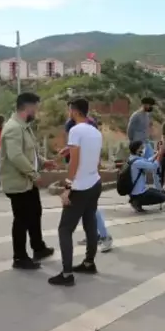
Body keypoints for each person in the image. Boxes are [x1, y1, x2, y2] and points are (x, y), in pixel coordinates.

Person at [49, 98, 104, 287]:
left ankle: (66, 274)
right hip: (95, 182)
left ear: (73, 111)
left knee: (65, 229)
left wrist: (68, 186)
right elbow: (94, 159)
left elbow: (74, 162)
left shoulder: (75, 130)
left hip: (80, 186)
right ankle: (89, 262)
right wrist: (70, 150)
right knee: (90, 224)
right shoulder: (95, 131)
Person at [0, 92, 56, 270]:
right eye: (36, 108)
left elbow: (29, 152)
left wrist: (43, 162)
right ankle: (20, 257)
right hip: (17, 183)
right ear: (28, 107)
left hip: (26, 182)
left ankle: (38, 247)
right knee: (22, 219)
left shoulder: (23, 126)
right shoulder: (13, 128)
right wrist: (34, 174)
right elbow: (16, 156)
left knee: (35, 212)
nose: (37, 112)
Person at [61, 117, 113, 253]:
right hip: (86, 178)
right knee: (88, 212)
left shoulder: (81, 129)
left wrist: (68, 185)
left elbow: (82, 157)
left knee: (91, 211)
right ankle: (93, 236)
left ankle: (105, 236)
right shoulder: (87, 130)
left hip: (86, 180)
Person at [127, 97, 162, 190]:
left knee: (155, 163)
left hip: (146, 143)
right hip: (138, 145)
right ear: (144, 104)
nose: (150, 107)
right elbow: (130, 130)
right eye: (149, 105)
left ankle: (159, 188)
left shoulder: (147, 115)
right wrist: (134, 143)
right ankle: (140, 188)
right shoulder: (136, 115)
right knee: (141, 167)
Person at [128, 140, 165, 212]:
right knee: (162, 197)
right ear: (137, 149)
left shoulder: (132, 158)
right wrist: (160, 154)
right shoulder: (137, 162)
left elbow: (147, 161)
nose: (143, 149)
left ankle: (135, 200)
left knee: (157, 192)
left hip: (133, 192)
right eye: (141, 148)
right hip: (139, 193)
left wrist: (157, 154)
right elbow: (154, 166)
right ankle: (137, 201)